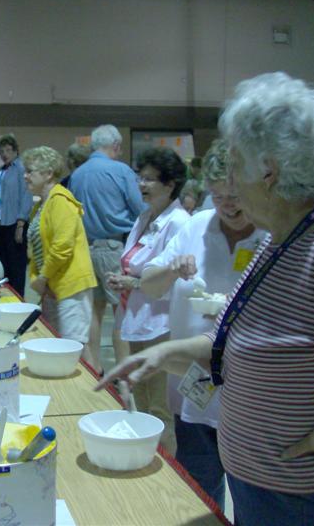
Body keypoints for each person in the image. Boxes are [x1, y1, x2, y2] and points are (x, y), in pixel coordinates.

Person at [99, 72, 314, 526]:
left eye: (236, 163)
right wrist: (165, 352)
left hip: (301, 498)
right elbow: (248, 341)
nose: (231, 181)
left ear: (268, 170)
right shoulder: (279, 239)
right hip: (262, 483)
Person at [138, 139, 265, 509]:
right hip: (194, 384)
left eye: (237, 194)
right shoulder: (196, 226)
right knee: (199, 491)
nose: (229, 204)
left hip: (251, 392)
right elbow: (148, 283)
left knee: (251, 498)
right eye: (219, 194)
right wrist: (170, 268)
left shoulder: (272, 235)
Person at [105, 147, 189, 454]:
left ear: (170, 185)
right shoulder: (144, 216)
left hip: (161, 323)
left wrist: (134, 282)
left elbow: (178, 279)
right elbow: (134, 262)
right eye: (140, 177)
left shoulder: (179, 222)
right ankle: (144, 458)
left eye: (150, 179)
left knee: (159, 407)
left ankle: (168, 471)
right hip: (136, 318)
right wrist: (122, 277)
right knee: (138, 397)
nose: (142, 184)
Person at [69, 124, 146, 373]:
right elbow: (140, 210)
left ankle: (94, 369)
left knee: (93, 311)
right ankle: (124, 374)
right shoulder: (120, 170)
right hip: (114, 248)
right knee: (121, 312)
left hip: (85, 250)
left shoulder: (77, 174)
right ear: (115, 146)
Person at [22, 146, 97, 364]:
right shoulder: (42, 205)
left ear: (48, 174)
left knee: (75, 349)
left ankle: (96, 396)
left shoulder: (61, 200)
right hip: (54, 287)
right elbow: (37, 250)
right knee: (61, 346)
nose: (25, 175)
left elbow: (62, 246)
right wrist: (42, 281)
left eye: (31, 171)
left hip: (70, 285)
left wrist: (43, 277)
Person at [0, 134, 33, 295]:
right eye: (2, 151)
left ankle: (18, 296)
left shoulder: (20, 169)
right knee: (2, 262)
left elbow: (26, 195)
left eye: (8, 150)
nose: (5, 154)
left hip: (14, 221)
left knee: (16, 264)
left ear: (15, 151)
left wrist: (21, 222)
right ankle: (6, 294)